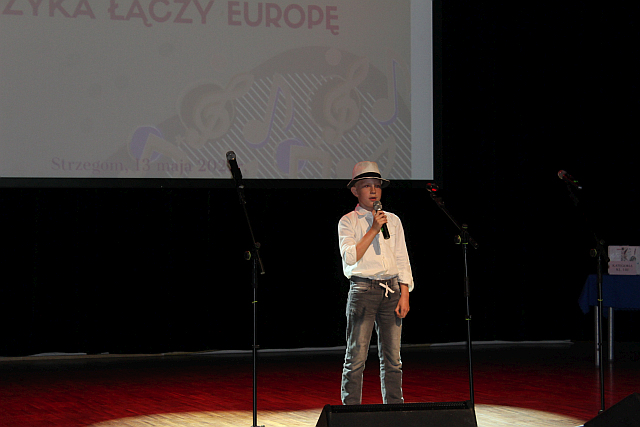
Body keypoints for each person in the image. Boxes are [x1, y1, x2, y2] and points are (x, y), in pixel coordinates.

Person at [338, 161, 414, 405]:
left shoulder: (393, 220)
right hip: (363, 290)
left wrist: (405, 292)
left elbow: (401, 258)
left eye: (377, 186)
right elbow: (350, 257)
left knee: (393, 359)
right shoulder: (348, 221)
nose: (373, 190)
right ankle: (350, 411)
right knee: (356, 357)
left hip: (391, 291)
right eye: (366, 186)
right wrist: (373, 228)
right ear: (355, 191)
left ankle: (395, 408)